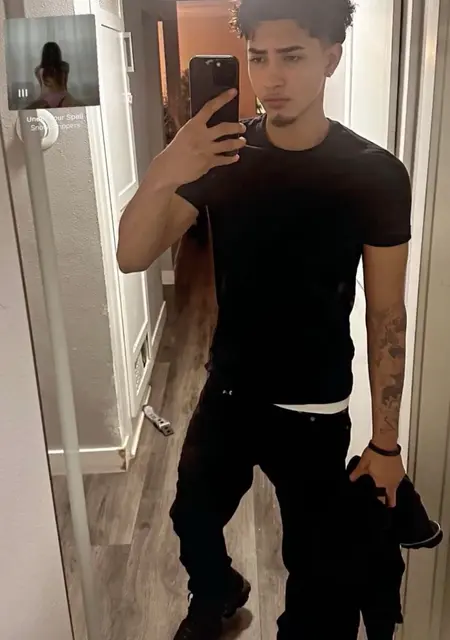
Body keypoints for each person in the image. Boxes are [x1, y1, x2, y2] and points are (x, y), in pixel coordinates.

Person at [117, 0, 412, 637]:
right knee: (191, 515)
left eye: (292, 57)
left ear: (331, 58)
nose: (271, 77)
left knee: (314, 569)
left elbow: (388, 313)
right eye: (258, 57)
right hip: (230, 387)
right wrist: (166, 169)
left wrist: (385, 443)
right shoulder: (225, 156)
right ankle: (218, 591)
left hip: (315, 407)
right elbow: (131, 255)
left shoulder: (376, 175)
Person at [27, 42, 81, 109]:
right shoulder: (64, 67)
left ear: (44, 54)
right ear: (58, 54)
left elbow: (42, 88)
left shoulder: (39, 69)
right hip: (62, 97)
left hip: (46, 98)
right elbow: (65, 86)